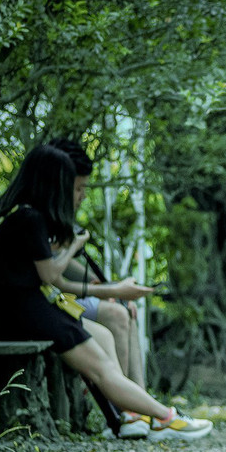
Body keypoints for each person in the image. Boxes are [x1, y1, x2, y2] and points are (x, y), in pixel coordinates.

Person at [0, 144, 212, 442]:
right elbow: (51, 275)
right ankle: (165, 418)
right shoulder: (29, 218)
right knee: (102, 369)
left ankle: (128, 416)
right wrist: (73, 247)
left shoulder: (6, 213)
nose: (74, 194)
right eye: (70, 186)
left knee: (103, 338)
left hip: (16, 310)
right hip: (26, 313)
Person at [49, 139, 146, 390]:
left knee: (124, 308)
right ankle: (125, 404)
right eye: (78, 188)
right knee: (116, 314)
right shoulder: (35, 217)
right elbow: (53, 275)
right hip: (51, 302)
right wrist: (107, 290)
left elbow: (64, 264)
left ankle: (140, 397)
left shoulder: (57, 214)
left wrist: (108, 287)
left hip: (61, 297)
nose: (82, 196)